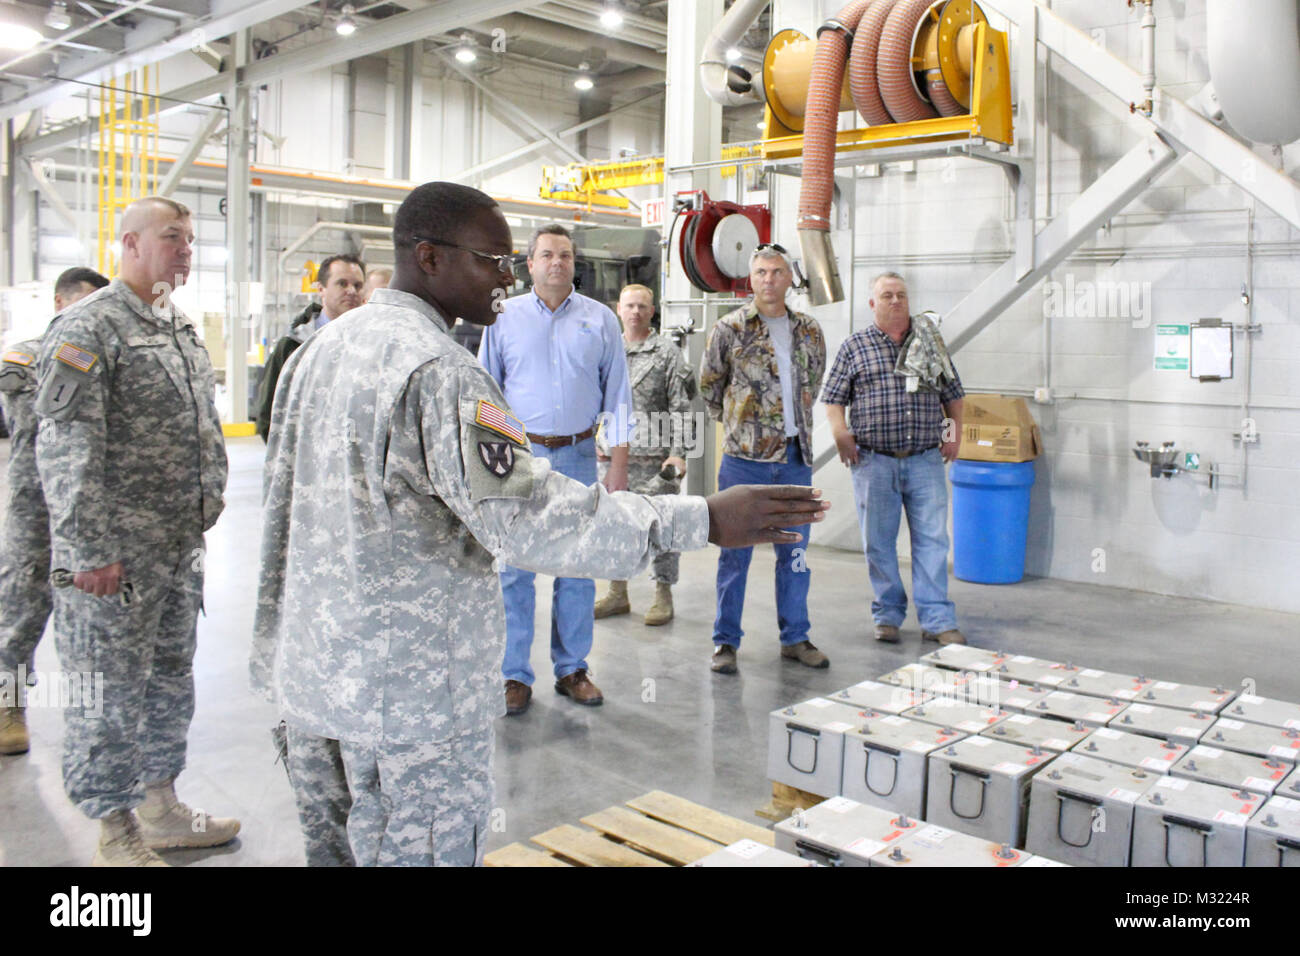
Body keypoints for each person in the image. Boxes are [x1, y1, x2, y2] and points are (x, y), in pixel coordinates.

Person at [251, 181, 828, 866]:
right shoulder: (443, 371)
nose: (507, 278)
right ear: (429, 257)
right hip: (407, 710)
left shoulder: (318, 350)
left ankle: (568, 664)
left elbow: (278, 506)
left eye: (511, 263)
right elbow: (531, 519)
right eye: (492, 259)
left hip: (314, 685)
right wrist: (697, 518)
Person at [33, 197, 237, 866]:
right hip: (114, 559)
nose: (184, 249)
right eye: (171, 238)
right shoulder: (89, 328)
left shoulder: (175, 325)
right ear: (130, 244)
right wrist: (89, 550)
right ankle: (115, 831)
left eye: (189, 238)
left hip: (177, 551)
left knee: (169, 680)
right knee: (107, 690)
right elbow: (65, 449)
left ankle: (160, 805)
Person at [478, 224, 633, 715]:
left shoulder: (601, 320)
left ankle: (572, 669)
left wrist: (619, 465)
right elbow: (486, 395)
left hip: (579, 456)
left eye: (565, 255)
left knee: (578, 566)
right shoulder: (502, 317)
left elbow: (619, 395)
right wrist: (491, 465)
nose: (556, 263)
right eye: (546, 255)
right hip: (517, 457)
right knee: (514, 569)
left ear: (574, 264)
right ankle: (513, 675)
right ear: (530, 264)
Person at [700, 244, 828, 675]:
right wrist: (743, 426)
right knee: (734, 557)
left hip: (795, 458)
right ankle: (725, 643)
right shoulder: (729, 328)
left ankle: (795, 637)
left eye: (776, 272)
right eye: (760, 272)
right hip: (744, 462)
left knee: (794, 553)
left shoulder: (809, 331)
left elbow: (815, 378)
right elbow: (710, 387)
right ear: (750, 279)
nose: (769, 279)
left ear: (789, 278)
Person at [821, 271, 966, 646]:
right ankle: (887, 615)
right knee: (879, 543)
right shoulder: (855, 347)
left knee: (933, 541)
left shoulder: (930, 344)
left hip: (924, 460)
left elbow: (953, 393)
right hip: (873, 461)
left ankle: (937, 620)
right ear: (873, 304)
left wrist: (953, 434)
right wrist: (840, 435)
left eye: (901, 295)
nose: (896, 301)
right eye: (887, 296)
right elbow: (834, 399)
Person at [0, 267, 110, 755]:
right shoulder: (23, 355)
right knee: (21, 604)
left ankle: (94, 716)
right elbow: (34, 400)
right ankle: (6, 702)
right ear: (60, 303)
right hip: (36, 507)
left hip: (88, 509)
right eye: (82, 305)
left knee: (92, 617)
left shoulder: (105, 356)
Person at [593, 284, 695, 626]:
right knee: (615, 524)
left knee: (663, 528)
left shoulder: (666, 353)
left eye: (642, 306)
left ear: (652, 311)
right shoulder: (608, 350)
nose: (635, 311)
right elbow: (594, 398)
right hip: (612, 459)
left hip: (655, 461)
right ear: (618, 310)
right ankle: (617, 592)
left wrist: (678, 454)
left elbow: (681, 407)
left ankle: (663, 594)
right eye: (629, 305)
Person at [254, 253, 366, 441]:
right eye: (342, 283)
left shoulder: (372, 345)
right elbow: (268, 415)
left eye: (357, 285)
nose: (352, 291)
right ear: (321, 289)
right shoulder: (293, 346)